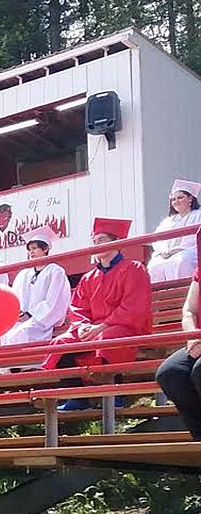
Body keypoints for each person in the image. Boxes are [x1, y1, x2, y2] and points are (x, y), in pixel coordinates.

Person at [43, 218, 153, 411]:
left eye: (101, 240)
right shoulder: (89, 277)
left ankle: (114, 391)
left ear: (117, 241)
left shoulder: (134, 268)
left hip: (125, 326)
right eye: (94, 241)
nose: (96, 245)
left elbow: (133, 306)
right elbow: (78, 308)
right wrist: (83, 326)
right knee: (61, 342)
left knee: (108, 338)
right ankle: (76, 396)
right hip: (92, 328)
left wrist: (102, 326)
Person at [155, 234, 201, 438]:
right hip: (198, 339)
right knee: (170, 373)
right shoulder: (199, 273)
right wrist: (192, 337)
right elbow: (189, 310)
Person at [0, 226, 72, 348]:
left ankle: (26, 365)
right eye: (29, 249)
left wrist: (31, 314)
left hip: (42, 318)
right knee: (6, 333)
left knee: (24, 332)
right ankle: (12, 366)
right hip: (24, 318)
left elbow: (54, 300)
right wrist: (19, 313)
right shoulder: (24, 274)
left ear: (46, 248)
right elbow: (16, 298)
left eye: (35, 248)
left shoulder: (55, 271)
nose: (31, 252)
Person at [147, 180, 201, 283]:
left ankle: (185, 292)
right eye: (173, 199)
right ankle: (161, 296)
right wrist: (165, 251)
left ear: (190, 198)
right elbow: (157, 239)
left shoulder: (198, 215)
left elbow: (195, 238)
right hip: (168, 254)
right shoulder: (168, 221)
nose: (176, 201)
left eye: (180, 198)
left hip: (191, 251)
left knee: (183, 261)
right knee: (154, 265)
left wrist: (179, 249)